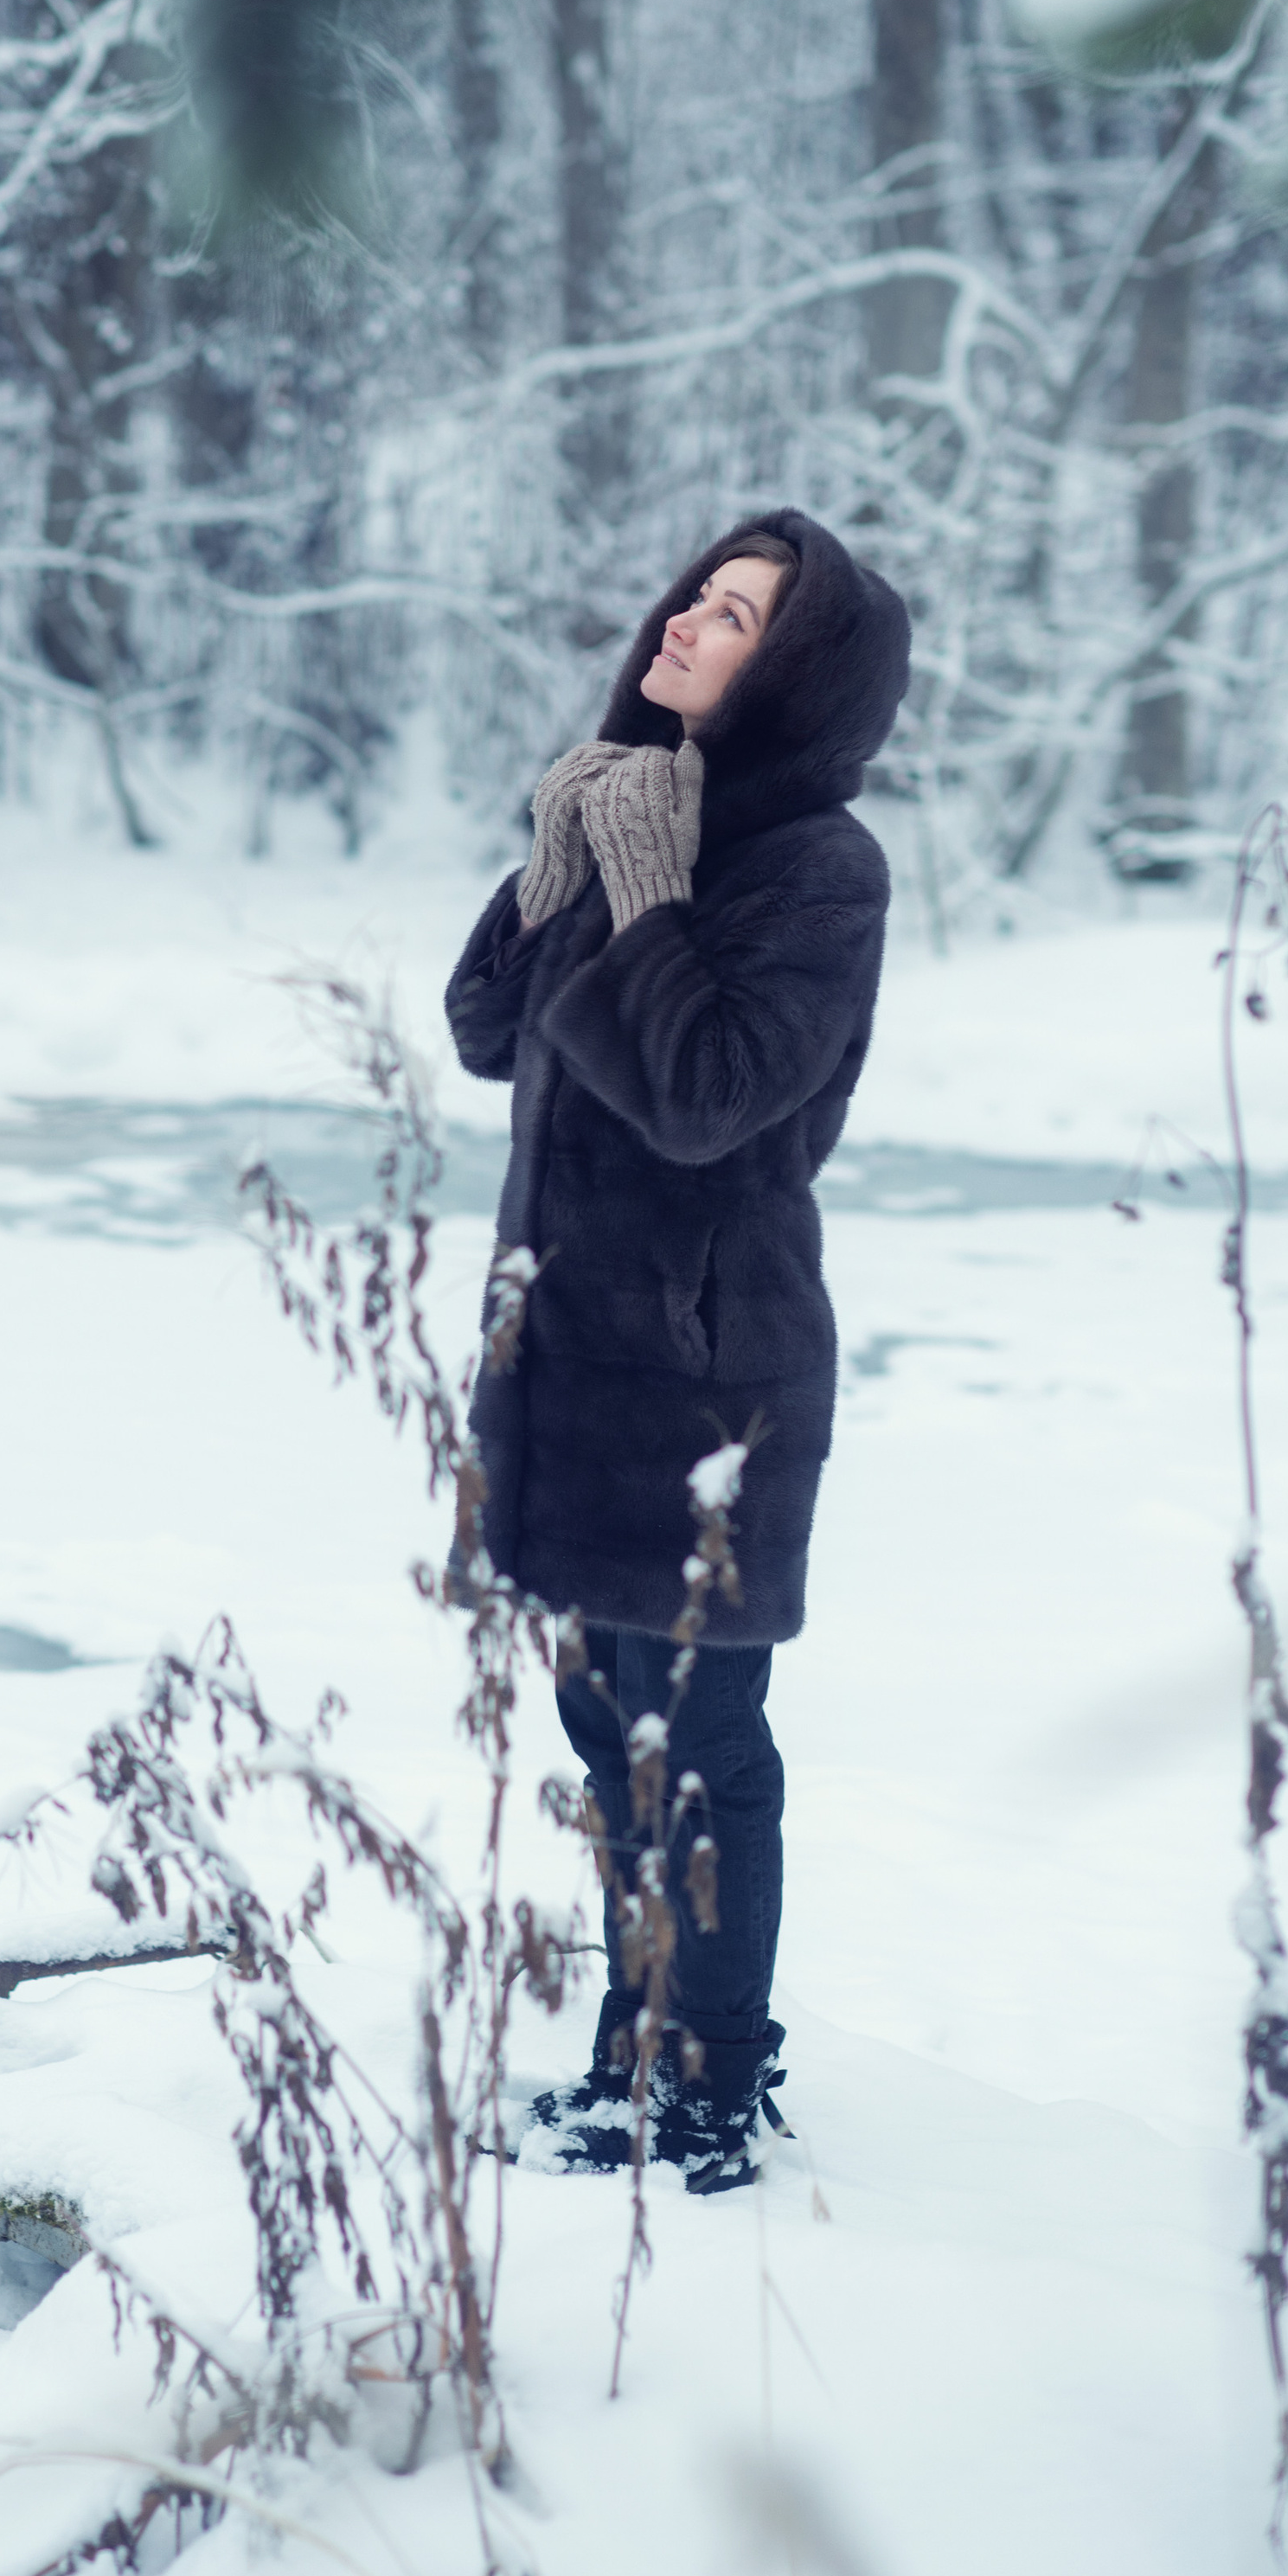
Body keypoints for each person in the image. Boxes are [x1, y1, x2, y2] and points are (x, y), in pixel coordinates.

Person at [443, 508, 911, 2193]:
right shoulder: (643, 807)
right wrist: (554, 873)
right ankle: (627, 2063)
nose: (685, 625)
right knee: (605, 1734)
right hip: (568, 1363)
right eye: (696, 597)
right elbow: (486, 1036)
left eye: (735, 615)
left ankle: (707, 2094)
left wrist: (645, 891)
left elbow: (708, 1099)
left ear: (798, 671)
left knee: (698, 1749)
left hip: (712, 1379)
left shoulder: (815, 868)